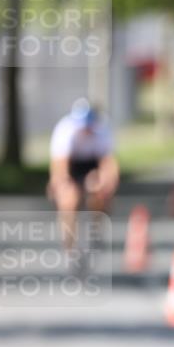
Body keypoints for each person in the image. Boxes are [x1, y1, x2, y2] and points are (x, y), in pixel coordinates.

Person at [48, 98, 119, 253]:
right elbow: (60, 167)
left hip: (92, 164)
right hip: (71, 165)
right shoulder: (65, 130)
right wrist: (61, 185)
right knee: (69, 200)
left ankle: (96, 231)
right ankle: (69, 242)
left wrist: (107, 184)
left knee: (99, 193)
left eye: (88, 127)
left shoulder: (102, 129)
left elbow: (108, 164)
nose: (85, 130)